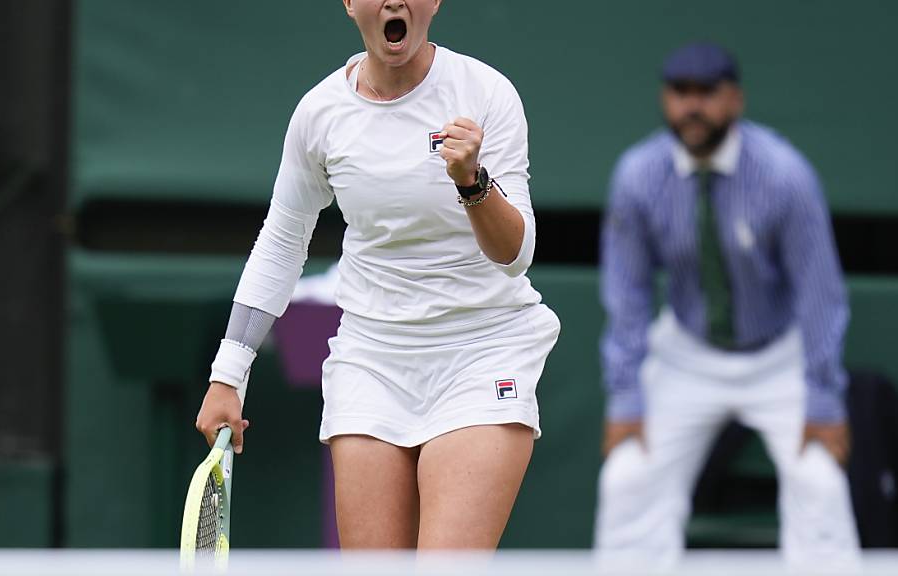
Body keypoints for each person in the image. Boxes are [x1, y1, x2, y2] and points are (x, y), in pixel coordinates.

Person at [195, 0, 560, 550]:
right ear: (349, 3)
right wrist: (229, 373)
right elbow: (280, 243)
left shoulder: (486, 93)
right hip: (372, 359)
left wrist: (472, 181)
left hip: (483, 352)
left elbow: (515, 254)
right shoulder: (320, 114)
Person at [595, 43, 860, 566]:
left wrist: (824, 395)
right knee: (627, 478)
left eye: (707, 93)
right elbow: (626, 294)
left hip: (778, 354)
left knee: (820, 483)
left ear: (735, 99)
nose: (692, 107)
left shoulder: (786, 175)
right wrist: (625, 393)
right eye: (680, 92)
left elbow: (821, 293)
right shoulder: (638, 176)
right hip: (686, 354)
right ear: (664, 99)